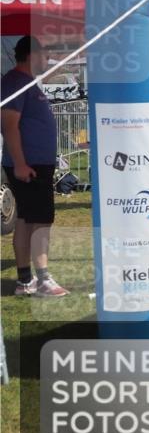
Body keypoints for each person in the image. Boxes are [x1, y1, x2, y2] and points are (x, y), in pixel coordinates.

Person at [1, 36, 69, 296]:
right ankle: (42, 280)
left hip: (34, 163)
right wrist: (19, 163)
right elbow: (8, 124)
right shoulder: (15, 82)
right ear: (31, 55)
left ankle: (25, 281)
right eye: (44, 55)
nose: (48, 60)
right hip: (28, 165)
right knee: (40, 220)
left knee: (26, 219)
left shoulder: (25, 83)